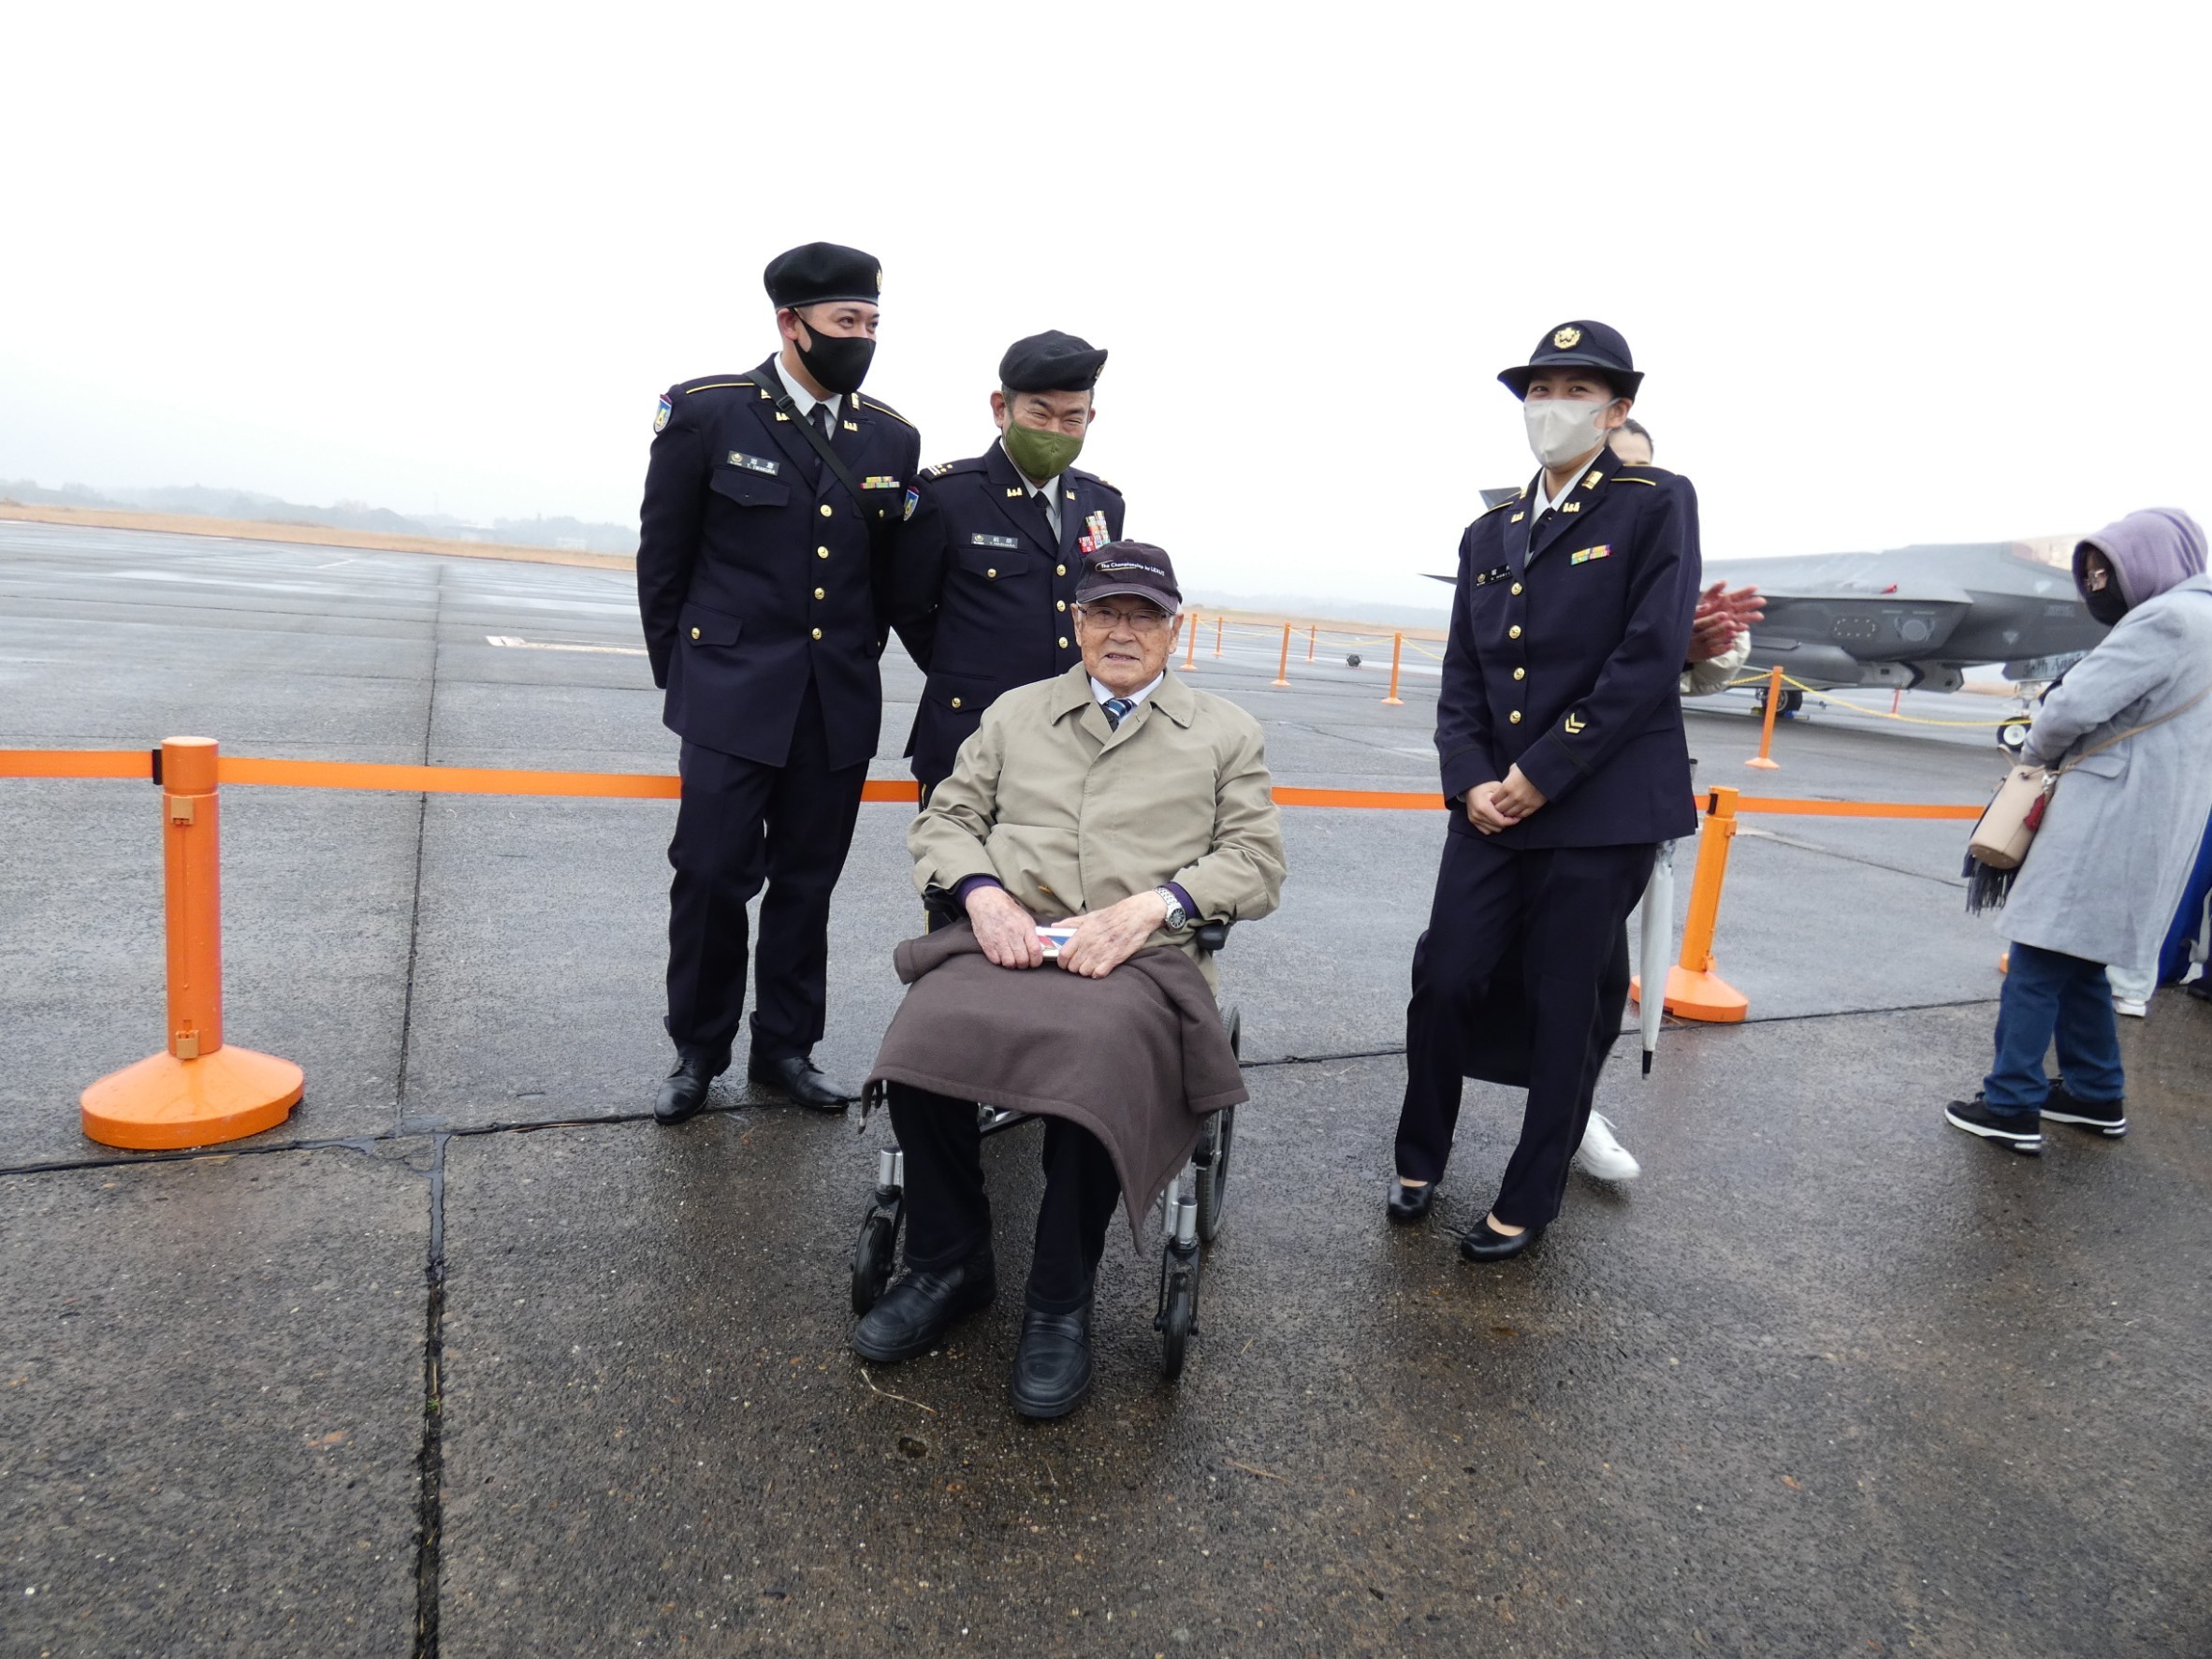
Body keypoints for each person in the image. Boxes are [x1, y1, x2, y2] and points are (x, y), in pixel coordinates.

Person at [852, 543, 1286, 1417]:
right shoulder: (1017, 712)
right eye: (1106, 613)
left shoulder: (1225, 731)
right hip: (1012, 937)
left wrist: (1155, 906)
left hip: (1140, 956)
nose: (1124, 631)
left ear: (1174, 630)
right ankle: (948, 1261)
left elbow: (1256, 859)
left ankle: (1059, 1298)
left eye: (1144, 616)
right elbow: (947, 818)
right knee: (922, 1038)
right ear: (1077, 622)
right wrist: (981, 894)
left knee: (1095, 1066)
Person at [1390, 320, 1701, 1260]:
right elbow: (1463, 676)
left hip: (1597, 805)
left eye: (1576, 390)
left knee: (1567, 1002)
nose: (1552, 407)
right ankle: (1419, 1154)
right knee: (1447, 975)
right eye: (1538, 390)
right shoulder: (1490, 532)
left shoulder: (1655, 503)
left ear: (1616, 409)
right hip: (1493, 804)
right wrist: (1471, 779)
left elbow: (1648, 657)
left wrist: (1542, 772)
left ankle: (1529, 1196)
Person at [637, 241, 922, 1123]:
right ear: (791, 323)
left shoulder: (891, 438)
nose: (862, 337)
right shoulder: (708, 412)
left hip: (834, 704)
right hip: (728, 694)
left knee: (807, 883)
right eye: (846, 320)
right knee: (710, 876)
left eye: (872, 322)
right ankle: (697, 1049)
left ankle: (787, 1048)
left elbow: (886, 580)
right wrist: (688, 681)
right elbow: (663, 559)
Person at [1947, 508, 2212, 1153]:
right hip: (2160, 815)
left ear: (2150, 559)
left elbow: (2071, 705)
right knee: (2082, 958)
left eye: (2107, 570)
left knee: (2036, 957)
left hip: (2107, 812)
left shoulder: (2164, 618)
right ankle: (2096, 1093)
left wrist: (2035, 750)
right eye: (2092, 573)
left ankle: (2009, 1103)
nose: (2098, 584)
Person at [885, 330, 1126, 794]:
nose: (1054, 431)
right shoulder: (947, 495)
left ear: (1090, 419)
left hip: (1071, 739)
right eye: (1040, 413)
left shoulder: (1103, 503)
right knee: (958, 843)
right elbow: (907, 604)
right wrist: (964, 670)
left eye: (1072, 418)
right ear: (1002, 409)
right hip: (969, 732)